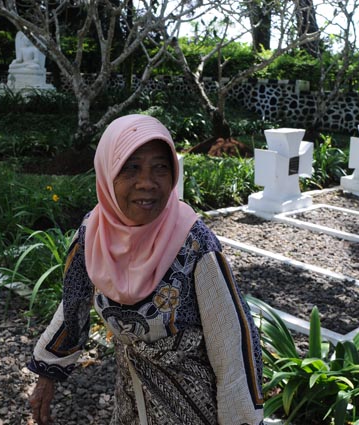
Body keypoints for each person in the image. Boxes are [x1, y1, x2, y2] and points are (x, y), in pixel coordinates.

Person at [27, 114, 264, 425]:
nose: (147, 183)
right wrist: (47, 373)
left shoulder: (194, 244)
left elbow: (232, 342)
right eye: (131, 167)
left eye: (160, 168)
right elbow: (73, 305)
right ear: (108, 172)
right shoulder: (93, 234)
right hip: (129, 398)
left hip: (191, 406)